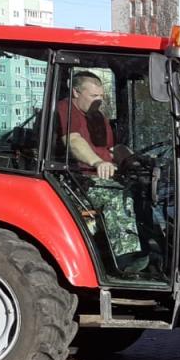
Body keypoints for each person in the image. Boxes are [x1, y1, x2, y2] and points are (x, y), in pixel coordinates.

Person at [56, 72, 146, 274]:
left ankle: (148, 250)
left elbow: (112, 149)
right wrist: (97, 162)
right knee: (118, 196)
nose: (99, 100)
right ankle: (126, 262)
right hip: (78, 181)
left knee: (145, 191)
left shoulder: (98, 117)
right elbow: (73, 140)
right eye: (93, 96)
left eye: (101, 96)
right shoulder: (66, 109)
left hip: (101, 176)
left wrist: (136, 160)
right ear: (75, 92)